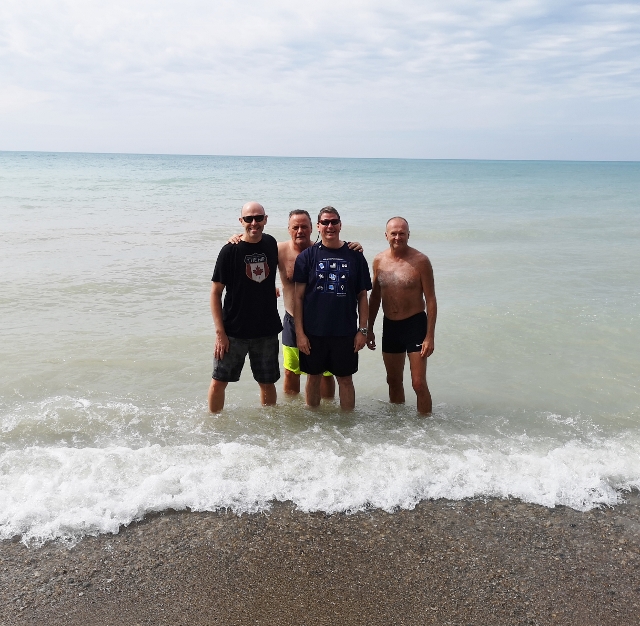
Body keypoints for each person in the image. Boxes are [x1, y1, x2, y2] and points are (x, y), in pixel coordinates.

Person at [293, 207, 372, 410]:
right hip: (313, 332)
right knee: (313, 377)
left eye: (334, 222)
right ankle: (313, 421)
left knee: (345, 380)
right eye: (325, 222)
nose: (330, 226)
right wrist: (300, 334)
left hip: (345, 332)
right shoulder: (306, 257)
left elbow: (363, 296)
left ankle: (348, 423)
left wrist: (362, 330)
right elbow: (298, 298)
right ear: (318, 226)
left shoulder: (355, 256)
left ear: (340, 225)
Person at [208, 202, 283, 413]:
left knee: (267, 383)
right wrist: (220, 333)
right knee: (218, 382)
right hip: (233, 332)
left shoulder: (271, 243)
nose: (254, 223)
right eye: (249, 219)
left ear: (265, 219)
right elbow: (215, 293)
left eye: (258, 218)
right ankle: (214, 425)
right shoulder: (229, 250)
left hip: (266, 330)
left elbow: (296, 249)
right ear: (241, 221)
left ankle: (269, 425)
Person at [366, 217, 437, 414]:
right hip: (390, 326)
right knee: (393, 380)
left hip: (415, 325)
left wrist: (430, 336)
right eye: (394, 233)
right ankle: (399, 425)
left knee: (418, 383)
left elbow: (431, 299)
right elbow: (375, 297)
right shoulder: (379, 261)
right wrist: (369, 328)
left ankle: (426, 424)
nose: (398, 237)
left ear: (408, 235)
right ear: (386, 235)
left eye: (402, 233)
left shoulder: (421, 261)